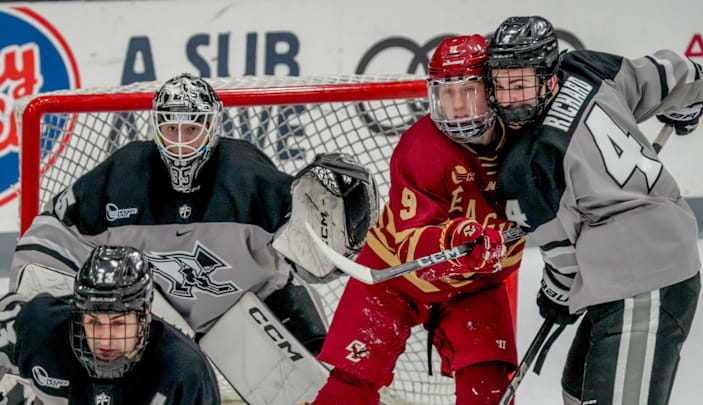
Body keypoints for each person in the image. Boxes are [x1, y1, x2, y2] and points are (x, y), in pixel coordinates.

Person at [8, 73, 378, 402]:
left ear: (212, 126)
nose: (180, 142)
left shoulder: (249, 176)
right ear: (157, 127)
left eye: (191, 129)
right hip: (156, 319)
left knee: (323, 394)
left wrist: (336, 239)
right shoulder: (124, 175)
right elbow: (53, 232)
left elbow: (314, 263)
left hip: (249, 306)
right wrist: (33, 313)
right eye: (171, 129)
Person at [486, 16, 703, 405]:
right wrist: (693, 96)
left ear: (548, 77)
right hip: (631, 271)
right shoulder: (587, 68)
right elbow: (672, 72)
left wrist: (554, 295)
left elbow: (565, 267)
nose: (511, 99)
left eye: (521, 84)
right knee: (576, 393)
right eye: (502, 85)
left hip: (647, 279)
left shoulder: (524, 166)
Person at [308, 35, 527, 405]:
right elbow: (411, 242)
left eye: (469, 90)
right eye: (447, 93)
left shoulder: (526, 141)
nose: (457, 106)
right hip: (394, 277)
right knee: (349, 387)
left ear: (493, 89)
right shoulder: (420, 148)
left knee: (488, 388)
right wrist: (458, 239)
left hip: (477, 286)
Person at [0, 245, 220, 404]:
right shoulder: (42, 330)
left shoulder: (184, 372)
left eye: (118, 324)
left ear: (144, 318)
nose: (104, 339)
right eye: (93, 322)